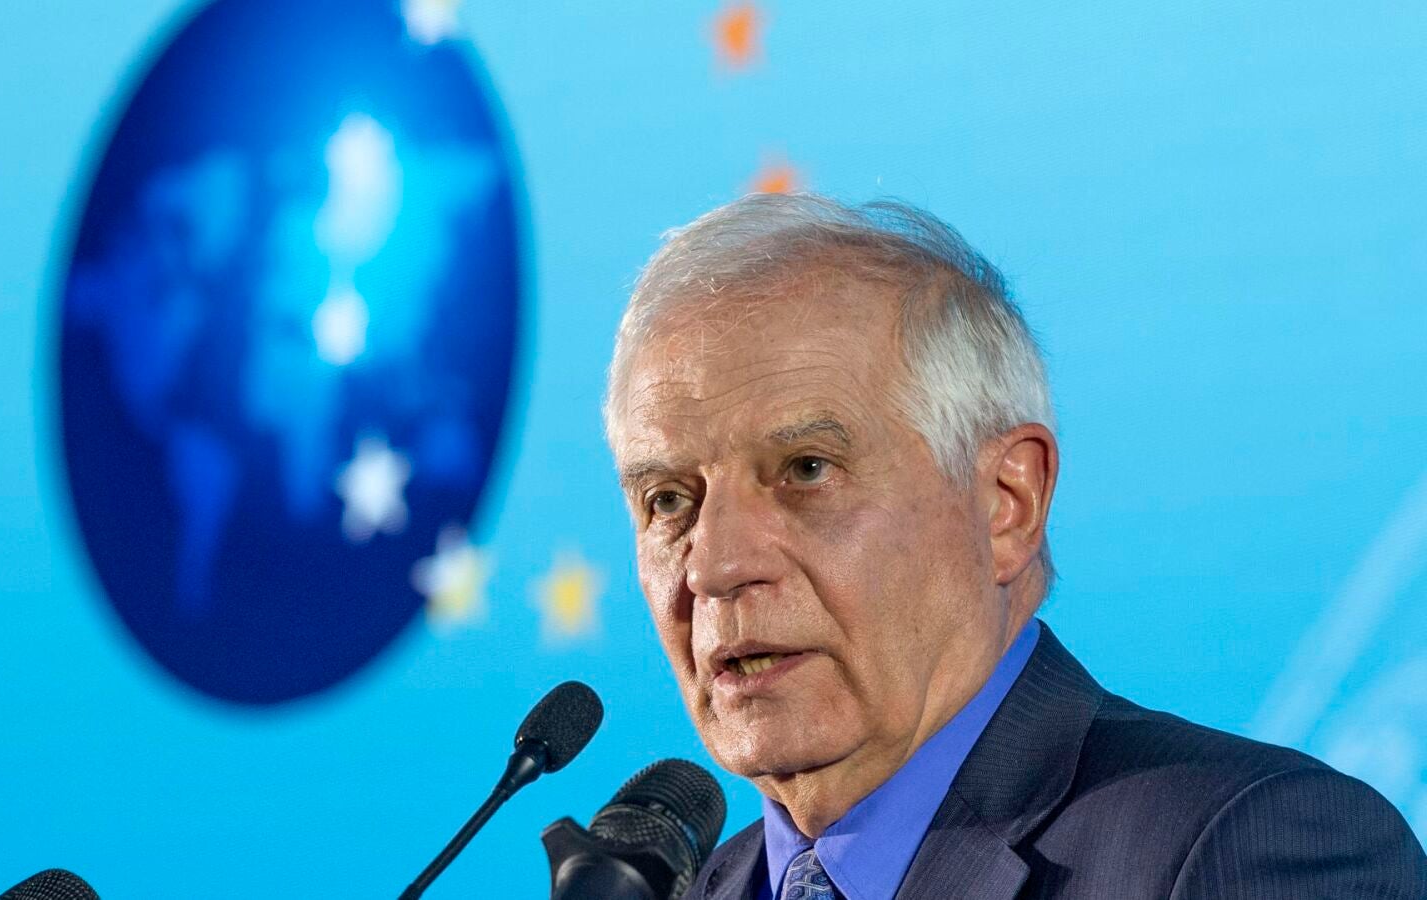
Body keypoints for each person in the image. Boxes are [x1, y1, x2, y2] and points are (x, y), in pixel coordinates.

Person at [604, 193, 1427, 899]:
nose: (714, 566)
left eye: (807, 470)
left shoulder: (1251, 847)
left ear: (1007, 504)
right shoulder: (692, 885)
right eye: (667, 500)